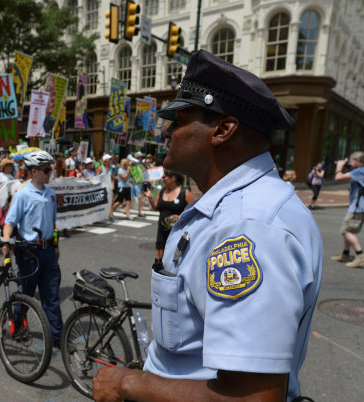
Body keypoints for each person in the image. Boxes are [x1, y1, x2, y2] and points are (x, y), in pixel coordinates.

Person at [93, 49, 323, 402]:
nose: (167, 130)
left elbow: (251, 397)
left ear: (223, 129)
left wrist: (128, 383)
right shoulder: (234, 209)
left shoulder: (247, 226)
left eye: (180, 119)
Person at [1, 150, 63, 347]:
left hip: (47, 252)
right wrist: (5, 240)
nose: (49, 173)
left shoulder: (51, 194)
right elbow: (10, 222)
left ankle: (56, 338)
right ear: (34, 171)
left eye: (50, 169)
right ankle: (16, 324)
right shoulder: (22, 194)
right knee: (25, 293)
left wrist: (55, 245)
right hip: (28, 252)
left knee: (51, 296)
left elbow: (53, 224)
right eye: (46, 170)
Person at [145, 170, 194, 260]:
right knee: (160, 258)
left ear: (173, 178)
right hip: (162, 231)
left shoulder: (185, 192)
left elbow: (194, 213)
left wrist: (180, 217)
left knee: (174, 259)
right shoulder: (162, 191)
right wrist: (150, 198)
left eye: (164, 177)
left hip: (177, 233)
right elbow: (156, 207)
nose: (162, 179)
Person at [331, 152, 364, 267]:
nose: (348, 162)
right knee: (348, 229)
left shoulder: (359, 171)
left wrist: (339, 166)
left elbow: (338, 177)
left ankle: (360, 255)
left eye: (351, 160)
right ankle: (345, 255)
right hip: (357, 206)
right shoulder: (360, 171)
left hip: (357, 207)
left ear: (358, 162)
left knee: (345, 231)